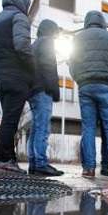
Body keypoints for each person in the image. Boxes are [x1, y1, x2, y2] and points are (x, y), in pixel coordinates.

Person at [69, 10, 108, 179]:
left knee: (88, 128)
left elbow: (72, 64)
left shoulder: (78, 38)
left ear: (87, 22)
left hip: (85, 86)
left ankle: (89, 169)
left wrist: (80, 79)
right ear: (102, 21)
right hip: (106, 86)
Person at [0, 0, 34, 173]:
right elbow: (23, 46)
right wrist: (33, 68)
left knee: (7, 117)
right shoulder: (19, 17)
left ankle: (9, 158)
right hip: (16, 75)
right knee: (10, 119)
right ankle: (5, 159)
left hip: (0, 75)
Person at [27, 19, 63, 176]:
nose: (56, 36)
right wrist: (54, 89)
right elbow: (49, 66)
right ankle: (41, 163)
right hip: (43, 90)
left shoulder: (35, 44)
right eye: (56, 32)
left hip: (33, 91)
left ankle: (34, 164)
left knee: (35, 129)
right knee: (43, 128)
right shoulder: (47, 42)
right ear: (51, 31)